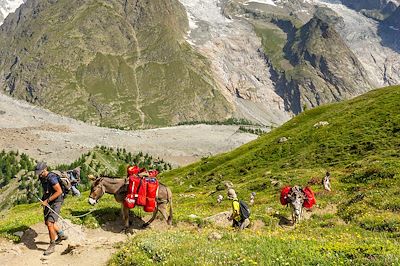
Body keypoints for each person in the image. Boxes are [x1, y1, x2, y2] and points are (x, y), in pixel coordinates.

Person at [35, 162, 68, 256]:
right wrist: (44, 199)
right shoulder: (42, 178)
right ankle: (61, 235)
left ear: (45, 169)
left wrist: (47, 200)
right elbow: (47, 190)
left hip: (57, 200)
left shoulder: (52, 178)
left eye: (41, 172)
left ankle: (52, 245)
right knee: (47, 222)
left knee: (50, 223)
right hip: (48, 200)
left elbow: (59, 191)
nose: (39, 174)